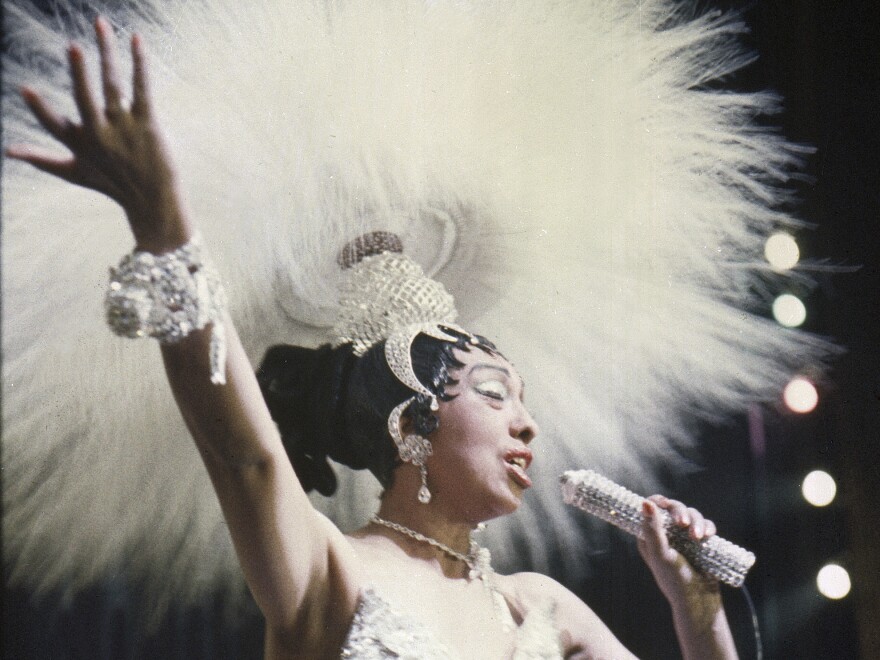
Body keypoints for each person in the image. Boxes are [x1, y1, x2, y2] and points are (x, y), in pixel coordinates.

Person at [7, 18, 739, 659]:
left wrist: (697, 613)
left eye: (522, 399)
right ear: (410, 425)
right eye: (493, 393)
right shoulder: (329, 569)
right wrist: (164, 222)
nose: (527, 421)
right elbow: (247, 457)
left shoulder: (539, 607)